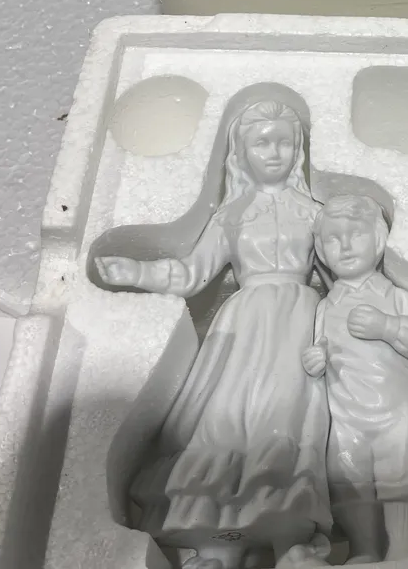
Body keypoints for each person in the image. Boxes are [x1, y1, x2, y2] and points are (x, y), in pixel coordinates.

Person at [95, 91, 330, 569]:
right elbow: (191, 273)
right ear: (240, 152)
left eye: (284, 142)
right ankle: (218, 541)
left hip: (299, 324)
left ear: (298, 150)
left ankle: (288, 533)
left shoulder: (315, 214)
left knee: (284, 418)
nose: (274, 152)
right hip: (243, 325)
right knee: (224, 418)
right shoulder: (232, 215)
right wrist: (136, 272)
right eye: (262, 142)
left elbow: (341, 282)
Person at [302, 195, 408, 563]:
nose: (345, 246)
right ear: (321, 251)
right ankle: (365, 548)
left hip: (395, 407)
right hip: (345, 412)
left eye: (356, 235)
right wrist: (316, 359)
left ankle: (403, 545)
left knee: (400, 478)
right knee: (348, 479)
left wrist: (388, 327)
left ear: (378, 241)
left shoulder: (394, 296)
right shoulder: (325, 307)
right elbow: (320, 345)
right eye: (334, 239)